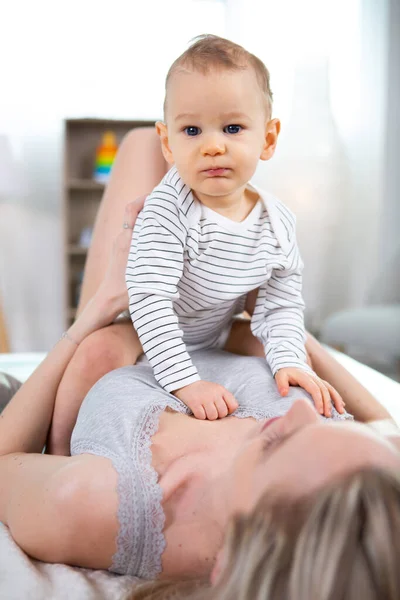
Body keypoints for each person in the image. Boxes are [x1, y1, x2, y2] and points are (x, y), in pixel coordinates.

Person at [1, 187, 400, 588]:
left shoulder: (95, 505)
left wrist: (101, 305)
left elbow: (5, 460)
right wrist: (278, 323)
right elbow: (385, 425)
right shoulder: (356, 482)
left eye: (275, 445)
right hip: (221, 323)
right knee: (206, 152)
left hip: (114, 330)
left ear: (227, 563)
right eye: (329, 424)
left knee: (154, 144)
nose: (300, 412)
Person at [126, 34, 343, 422]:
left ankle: (365, 423)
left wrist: (289, 360)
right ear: (168, 143)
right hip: (136, 333)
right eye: (192, 131)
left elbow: (280, 306)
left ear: (268, 137)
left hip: (215, 333)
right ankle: (58, 444)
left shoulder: (276, 223)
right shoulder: (167, 208)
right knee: (95, 353)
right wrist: (185, 383)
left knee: (294, 358)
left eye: (232, 128)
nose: (212, 146)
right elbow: (150, 301)